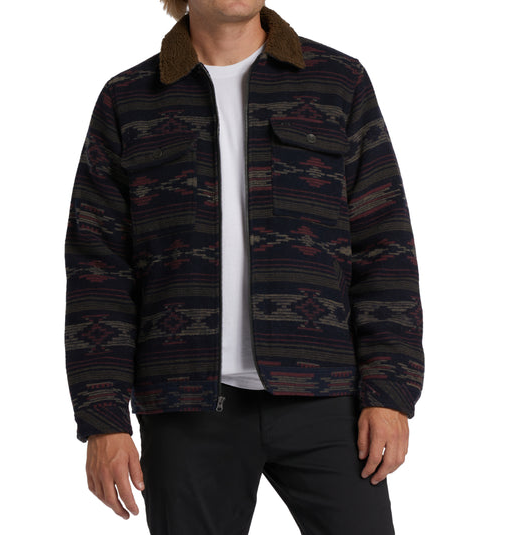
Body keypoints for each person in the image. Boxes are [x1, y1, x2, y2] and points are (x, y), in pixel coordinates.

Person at [64, 1, 424, 533]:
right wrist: (103, 419)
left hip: (326, 395)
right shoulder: (129, 99)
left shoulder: (337, 82)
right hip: (184, 405)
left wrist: (390, 391)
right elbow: (99, 270)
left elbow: (383, 244)